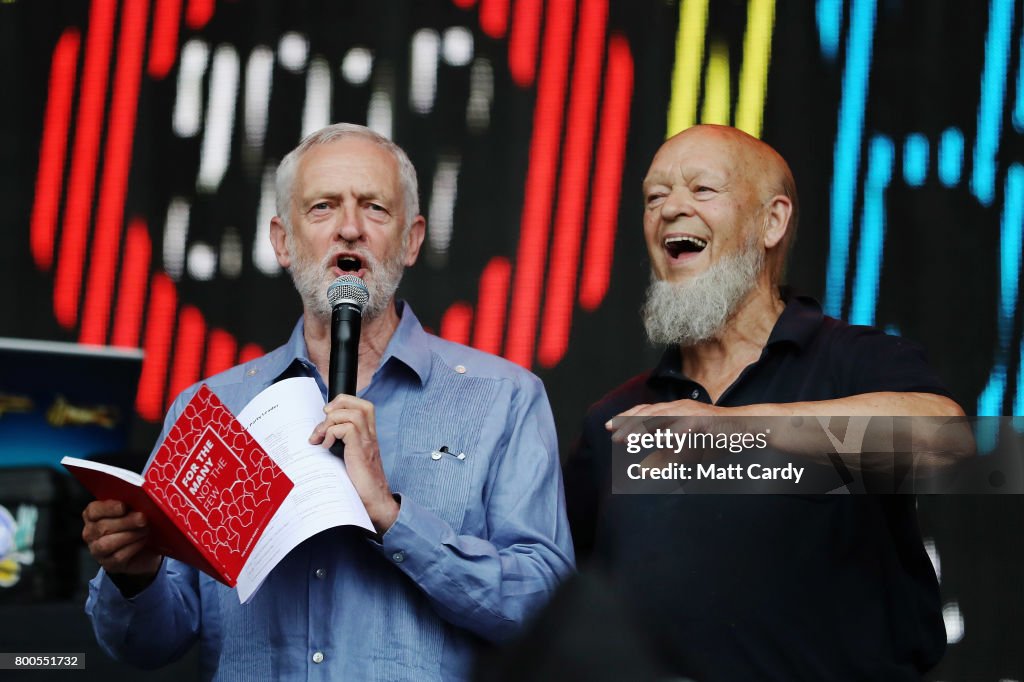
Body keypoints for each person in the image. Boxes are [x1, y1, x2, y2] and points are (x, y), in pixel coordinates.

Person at [82, 123, 575, 681]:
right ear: (283, 242)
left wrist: (391, 516)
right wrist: (135, 576)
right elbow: (148, 645)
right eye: (322, 208)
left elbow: (545, 609)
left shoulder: (504, 398)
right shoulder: (213, 410)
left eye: (374, 208)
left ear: (411, 240)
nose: (349, 229)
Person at [564, 124, 966, 681]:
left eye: (702, 190)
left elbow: (950, 446)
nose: (671, 208)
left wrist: (733, 429)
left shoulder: (851, 362)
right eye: (654, 197)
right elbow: (572, 601)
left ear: (772, 221)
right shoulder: (614, 418)